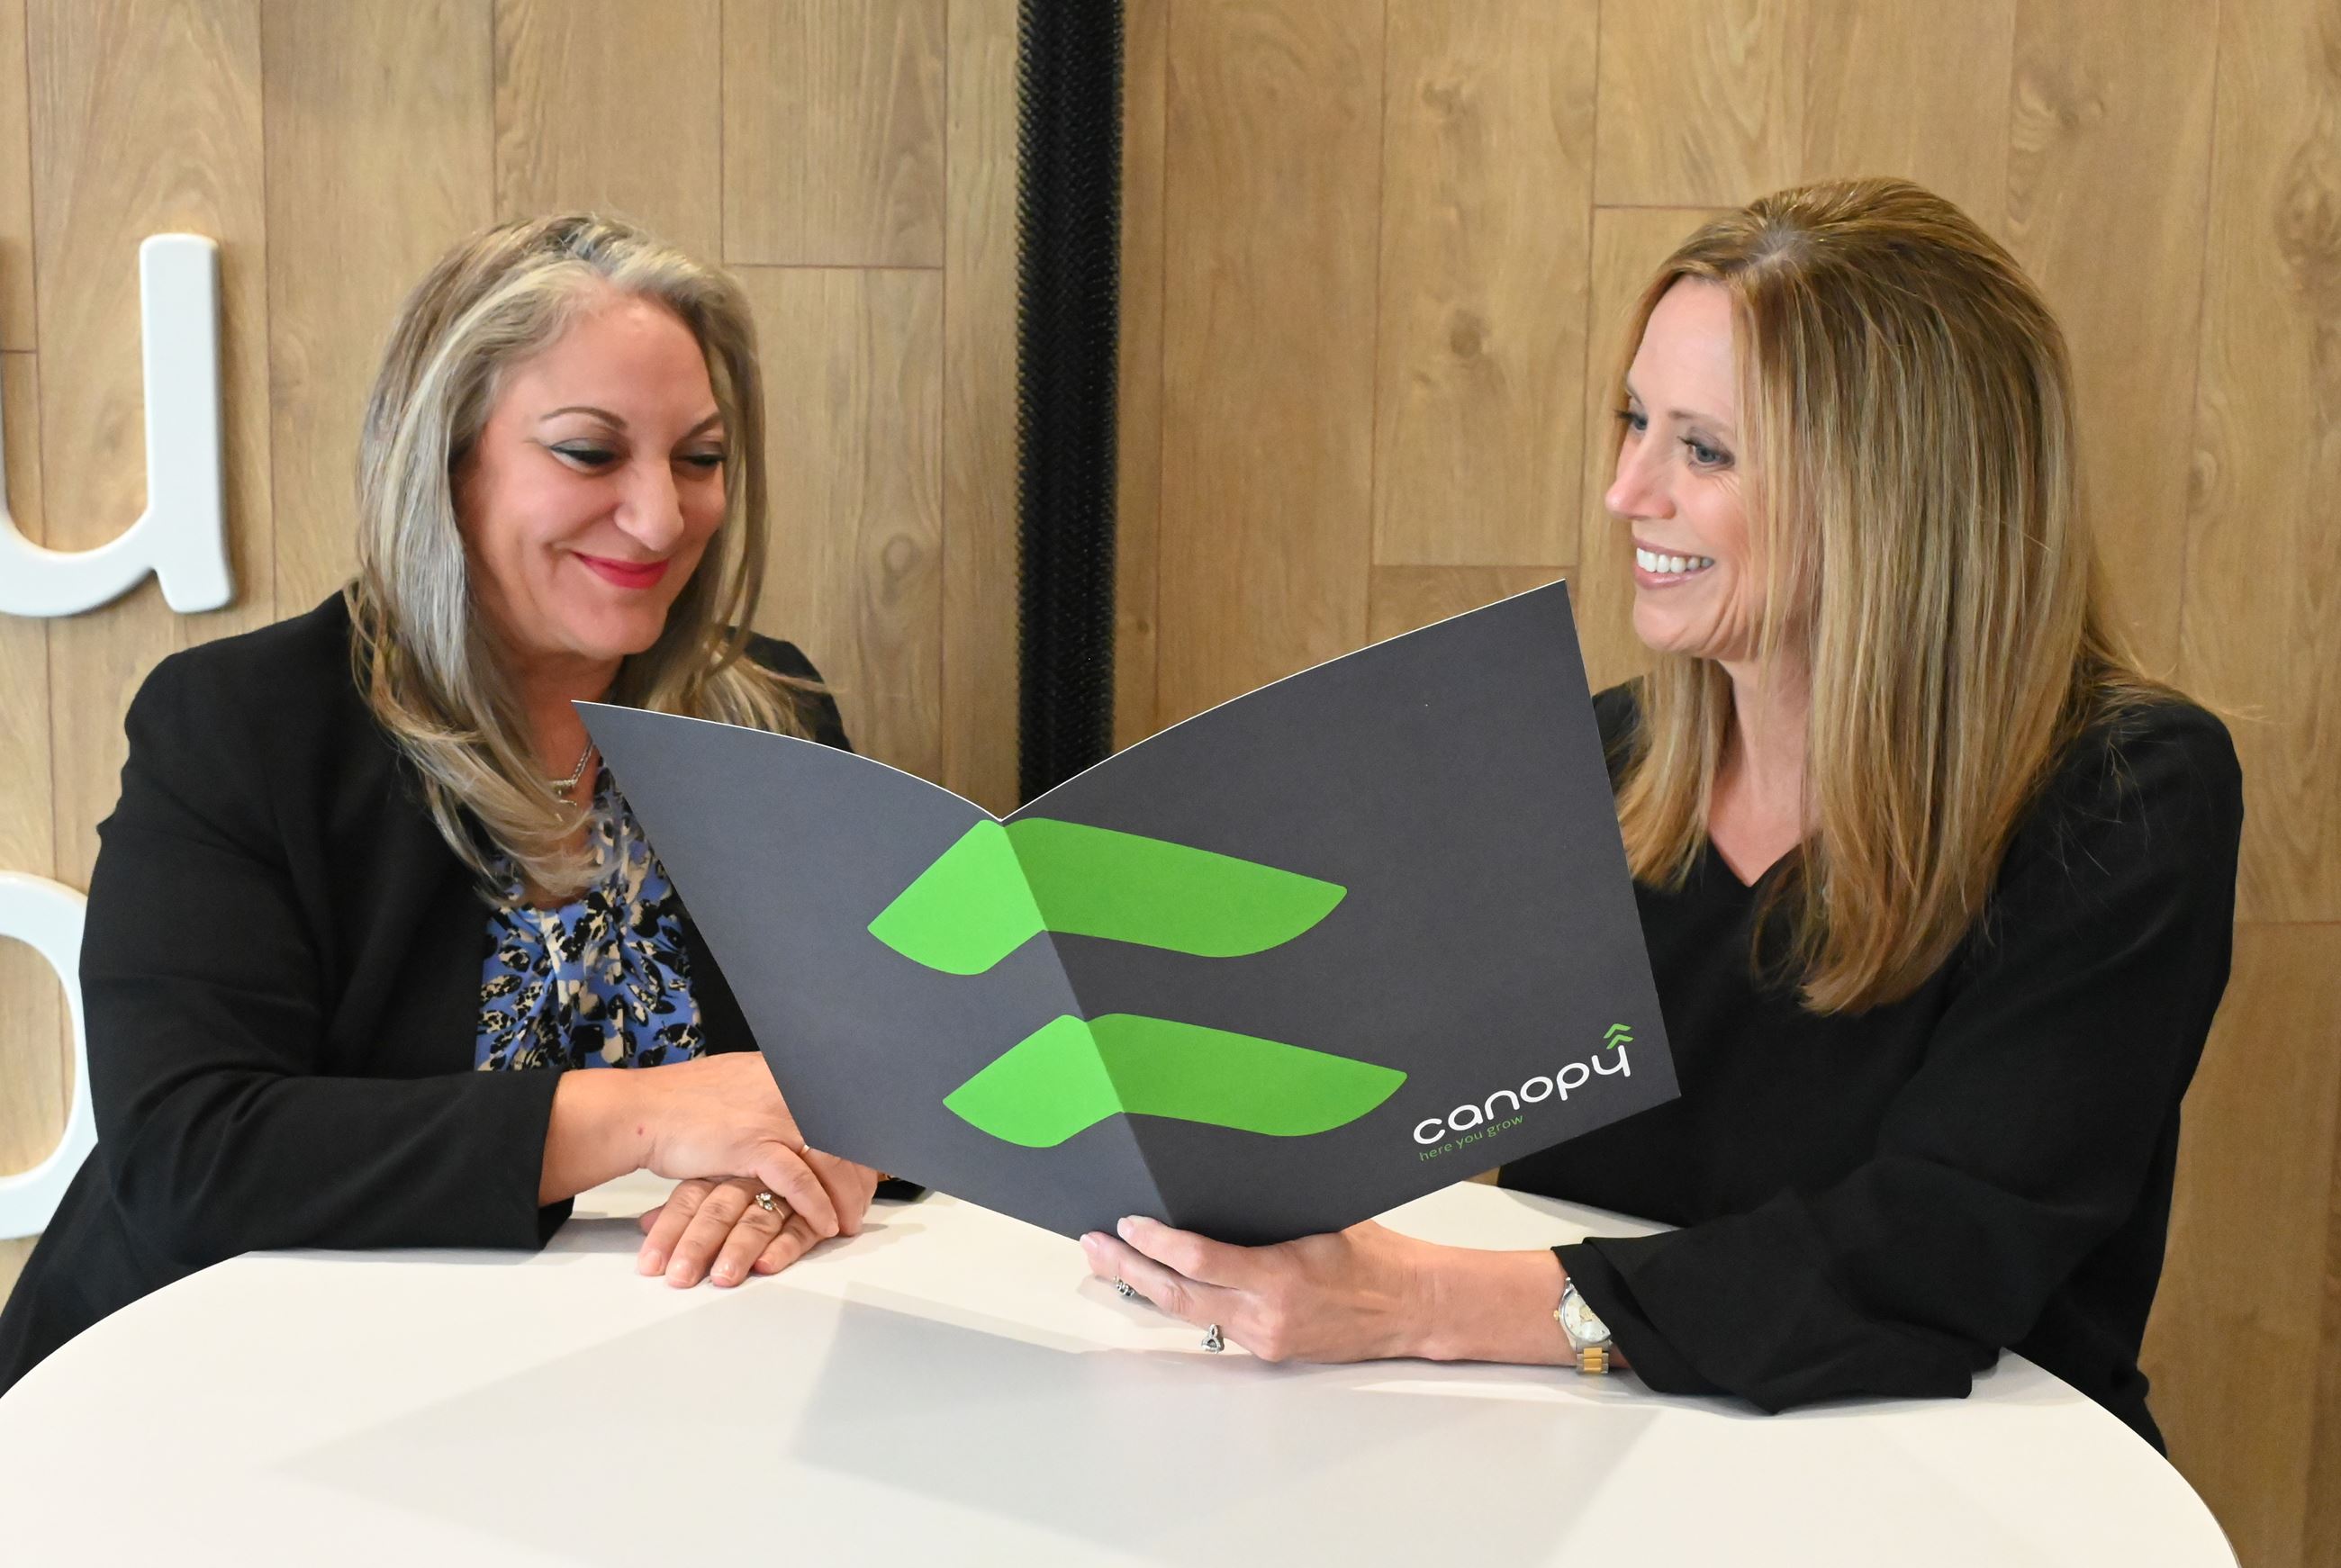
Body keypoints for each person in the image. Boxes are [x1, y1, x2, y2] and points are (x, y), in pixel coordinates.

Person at [1081, 178, 2242, 1451]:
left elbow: (1932, 1255)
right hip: (1615, 1460)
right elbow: (1292, 1052)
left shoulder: (2128, 794)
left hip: (1968, 1485)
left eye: (1705, 449)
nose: (1628, 491)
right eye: (1635, 422)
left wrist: (1414, 1301)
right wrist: (880, 1134)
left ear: (1892, 497)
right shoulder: (1598, 759)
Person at [0, 214, 887, 1397]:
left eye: (699, 458)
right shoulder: (242, 724)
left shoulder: (769, 707)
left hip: (643, 1390)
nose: (662, 517)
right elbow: (192, 1152)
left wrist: (805, 1166)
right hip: (232, 1398)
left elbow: (876, 1070)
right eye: (589, 452)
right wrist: (648, 1117)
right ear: (443, 460)